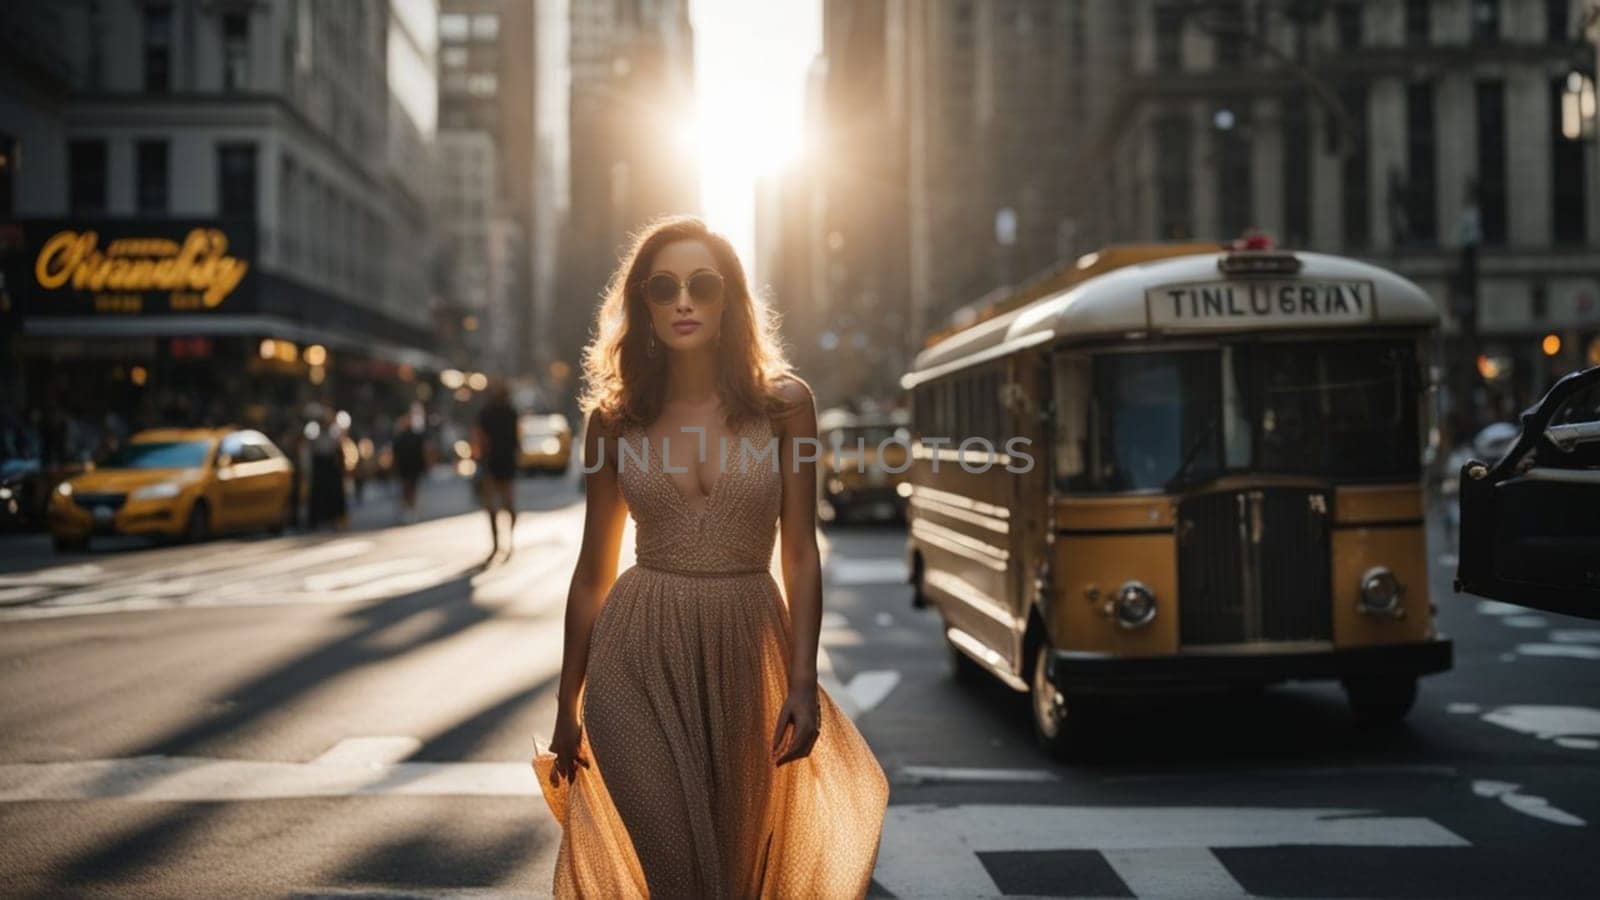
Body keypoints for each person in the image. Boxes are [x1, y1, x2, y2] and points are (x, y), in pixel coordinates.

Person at [533, 216, 888, 898]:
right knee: (674, 872)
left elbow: (802, 552)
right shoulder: (613, 420)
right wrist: (566, 702)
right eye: (663, 288)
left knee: (729, 874)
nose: (683, 301)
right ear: (642, 305)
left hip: (745, 654)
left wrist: (804, 680)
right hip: (633, 658)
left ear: (730, 302)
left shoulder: (787, 406)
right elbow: (591, 572)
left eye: (703, 284)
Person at [474, 381, 520, 560]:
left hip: (490, 462)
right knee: (508, 504)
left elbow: (480, 437)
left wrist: (479, 456)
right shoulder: (511, 412)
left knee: (491, 506)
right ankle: (509, 539)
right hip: (507, 461)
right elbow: (517, 435)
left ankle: (497, 543)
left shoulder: (485, 412)